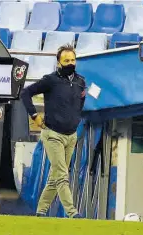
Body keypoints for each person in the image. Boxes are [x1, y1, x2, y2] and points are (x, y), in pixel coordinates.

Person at [20, 43, 86, 218]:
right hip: (53, 135)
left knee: (55, 175)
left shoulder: (81, 82)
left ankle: (41, 211)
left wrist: (75, 121)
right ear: (58, 63)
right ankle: (72, 212)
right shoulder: (50, 80)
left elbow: (80, 105)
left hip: (71, 136)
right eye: (66, 60)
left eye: (73, 60)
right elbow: (25, 93)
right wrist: (34, 115)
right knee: (62, 174)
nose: (70, 63)